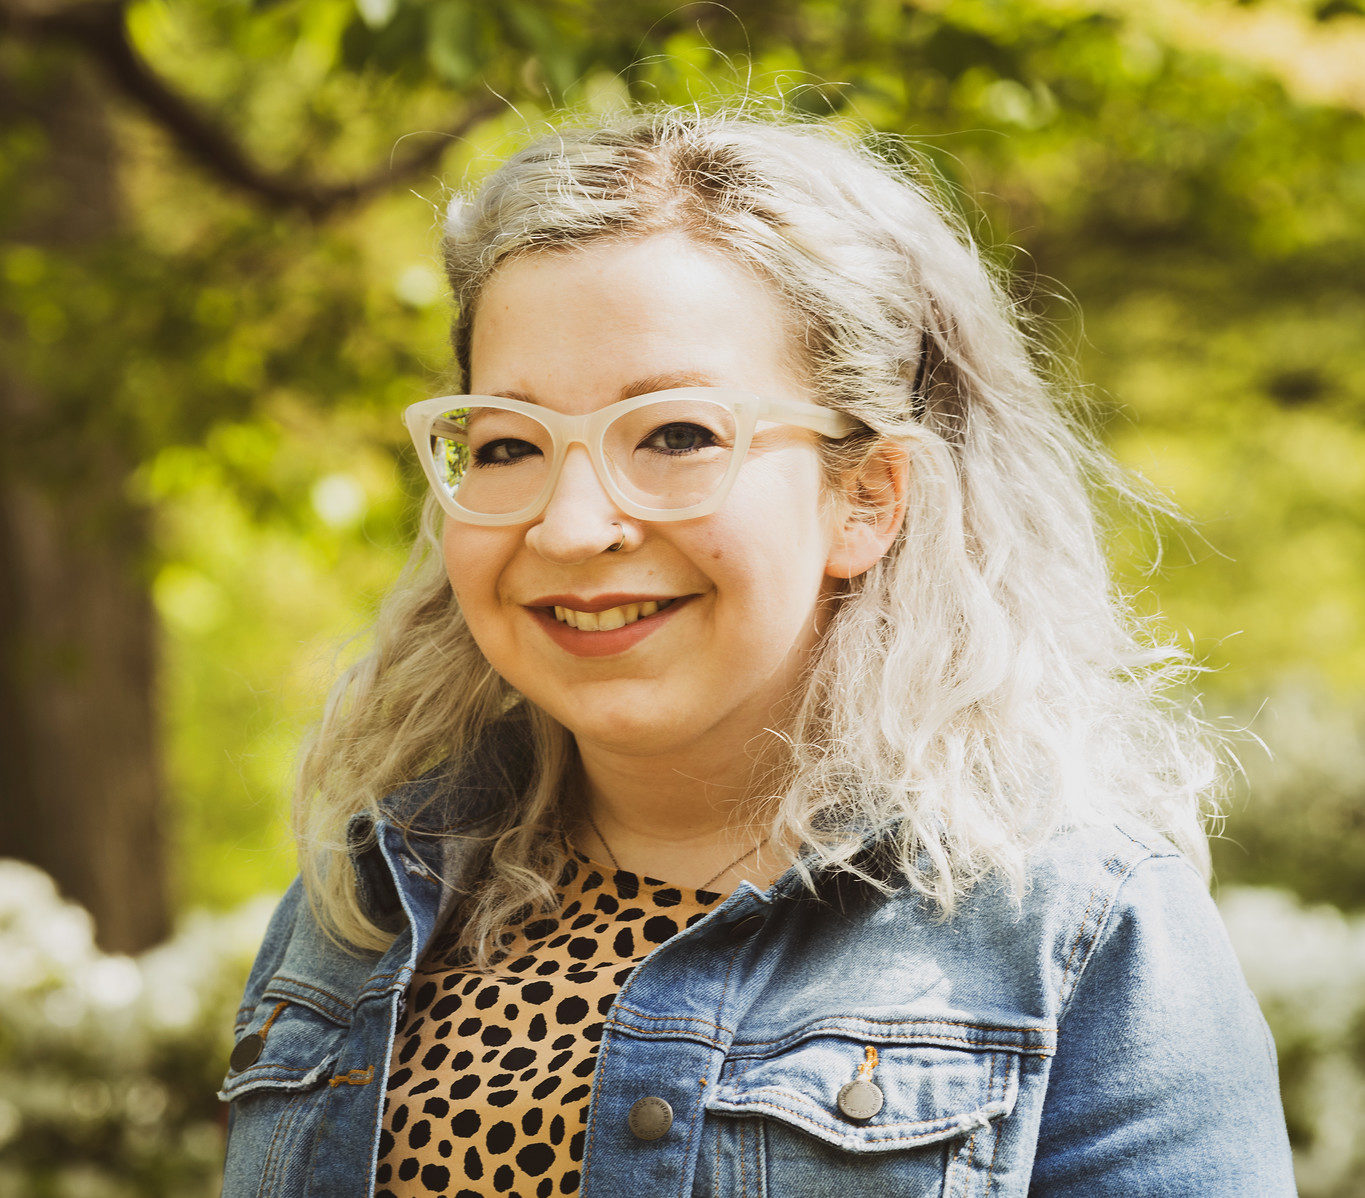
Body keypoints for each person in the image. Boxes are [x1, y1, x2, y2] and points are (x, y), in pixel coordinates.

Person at [219, 108, 1296, 1198]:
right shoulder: (369, 894)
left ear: (868, 495)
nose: (570, 526)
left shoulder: (1077, 927)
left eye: (677, 435)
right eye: (507, 444)